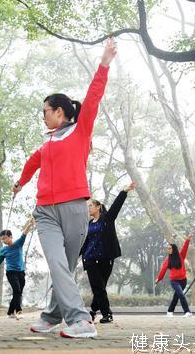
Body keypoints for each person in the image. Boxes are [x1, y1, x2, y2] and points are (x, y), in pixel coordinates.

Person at [13, 38, 117, 338]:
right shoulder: (47, 141)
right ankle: (81, 320)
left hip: (74, 209)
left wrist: (104, 64)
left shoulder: (81, 130)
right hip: (45, 211)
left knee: (65, 267)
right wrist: (21, 182)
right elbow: (33, 162)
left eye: (45, 110)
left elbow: (94, 97)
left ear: (59, 112)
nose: (43, 115)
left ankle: (50, 315)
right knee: (58, 263)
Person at [81, 182, 135, 324]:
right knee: (98, 287)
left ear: (98, 207)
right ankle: (107, 314)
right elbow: (84, 243)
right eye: (87, 207)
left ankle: (92, 311)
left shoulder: (107, 219)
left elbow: (116, 206)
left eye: (90, 206)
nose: (88, 208)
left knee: (100, 288)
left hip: (106, 259)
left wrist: (125, 191)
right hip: (90, 260)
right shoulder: (88, 224)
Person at [0, 218, 35, 319]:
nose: (3, 241)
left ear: (10, 237)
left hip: (21, 272)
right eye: (2, 239)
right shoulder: (3, 250)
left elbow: (24, 233)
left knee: (18, 293)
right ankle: (18, 311)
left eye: (5, 238)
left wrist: (30, 224)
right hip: (11, 273)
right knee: (17, 290)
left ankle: (10, 312)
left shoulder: (18, 244)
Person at [155, 231, 193, 318]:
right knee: (181, 295)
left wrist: (188, 239)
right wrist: (158, 279)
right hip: (174, 281)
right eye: (167, 249)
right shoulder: (167, 259)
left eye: (169, 248)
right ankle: (187, 311)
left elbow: (185, 247)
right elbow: (163, 270)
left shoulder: (181, 256)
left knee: (176, 297)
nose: (168, 250)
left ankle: (169, 311)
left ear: (174, 249)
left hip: (183, 280)